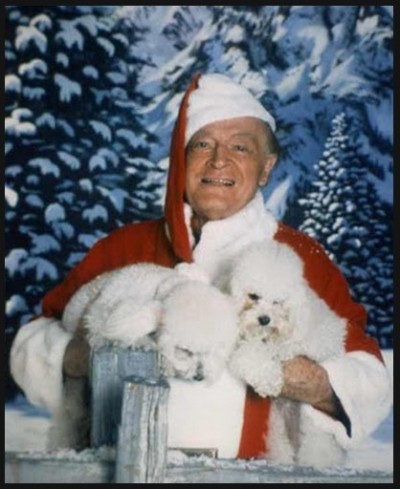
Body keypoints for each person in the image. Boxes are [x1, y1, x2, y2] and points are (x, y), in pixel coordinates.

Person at [10, 73, 391, 460]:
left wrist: (310, 382)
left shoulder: (301, 258)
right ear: (181, 161)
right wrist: (86, 355)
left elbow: (370, 376)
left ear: (266, 168)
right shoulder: (124, 248)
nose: (219, 160)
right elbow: (31, 345)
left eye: (240, 147)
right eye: (203, 144)